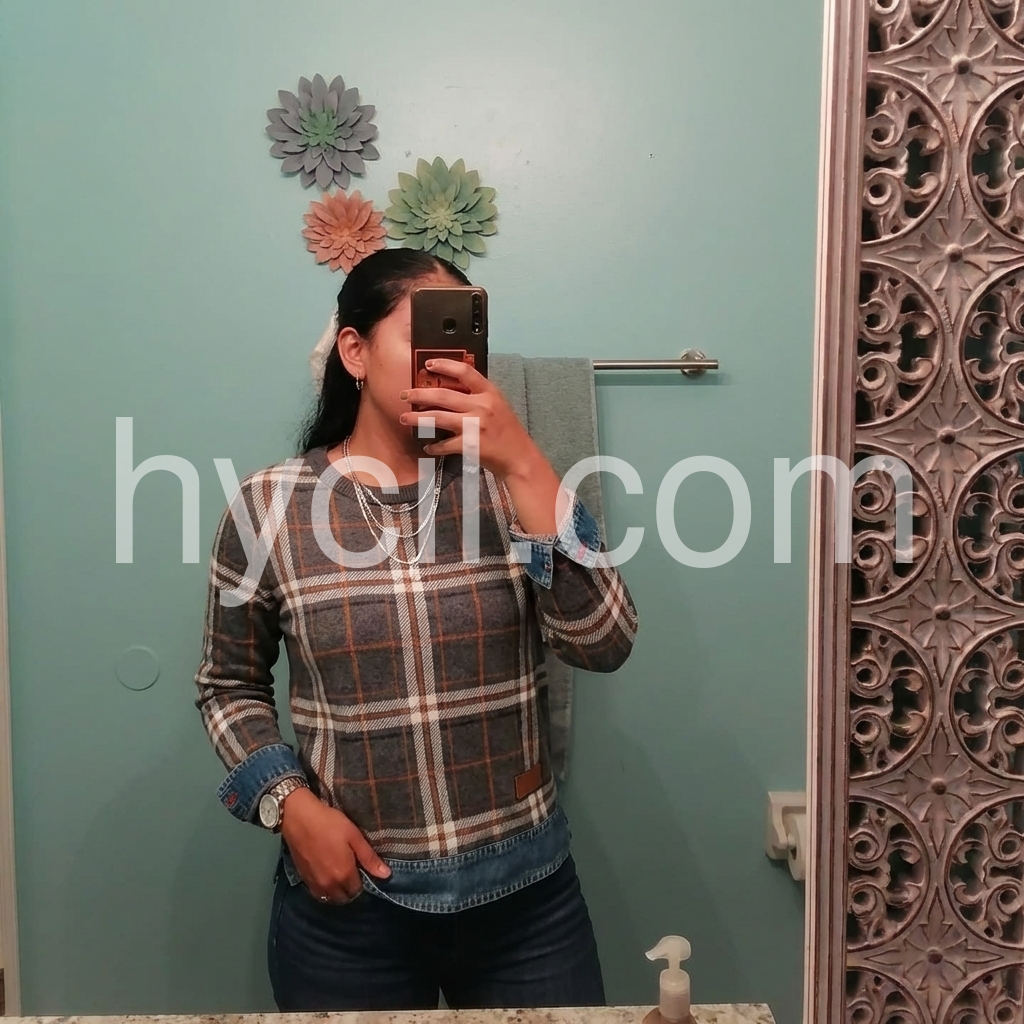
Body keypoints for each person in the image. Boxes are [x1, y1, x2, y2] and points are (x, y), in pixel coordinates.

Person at [194, 248, 639, 1011]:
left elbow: (604, 642)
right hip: (349, 908)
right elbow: (227, 684)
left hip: (527, 900)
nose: (450, 359)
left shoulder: (512, 489)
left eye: (463, 338)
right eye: (425, 333)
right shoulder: (267, 506)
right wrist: (289, 805)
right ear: (355, 351)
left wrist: (525, 465)